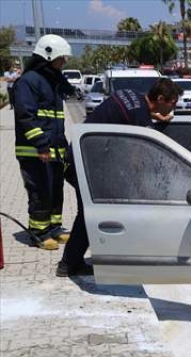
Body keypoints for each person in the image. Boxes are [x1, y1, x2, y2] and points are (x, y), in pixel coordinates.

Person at [56, 78, 184, 277]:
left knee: (92, 213)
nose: (173, 107)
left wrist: (153, 116)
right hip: (84, 164)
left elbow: (130, 116)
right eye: (172, 103)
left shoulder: (131, 96)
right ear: (160, 98)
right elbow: (139, 155)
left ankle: (75, 260)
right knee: (90, 214)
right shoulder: (140, 116)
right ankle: (69, 264)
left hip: (78, 157)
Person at [13, 35, 76, 250]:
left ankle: (54, 228)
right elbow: (25, 116)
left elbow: (57, 116)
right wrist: (40, 144)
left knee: (55, 190)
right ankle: (38, 233)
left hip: (55, 148)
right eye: (61, 59)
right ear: (48, 56)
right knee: (40, 191)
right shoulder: (28, 81)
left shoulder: (52, 80)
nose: (63, 63)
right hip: (35, 151)